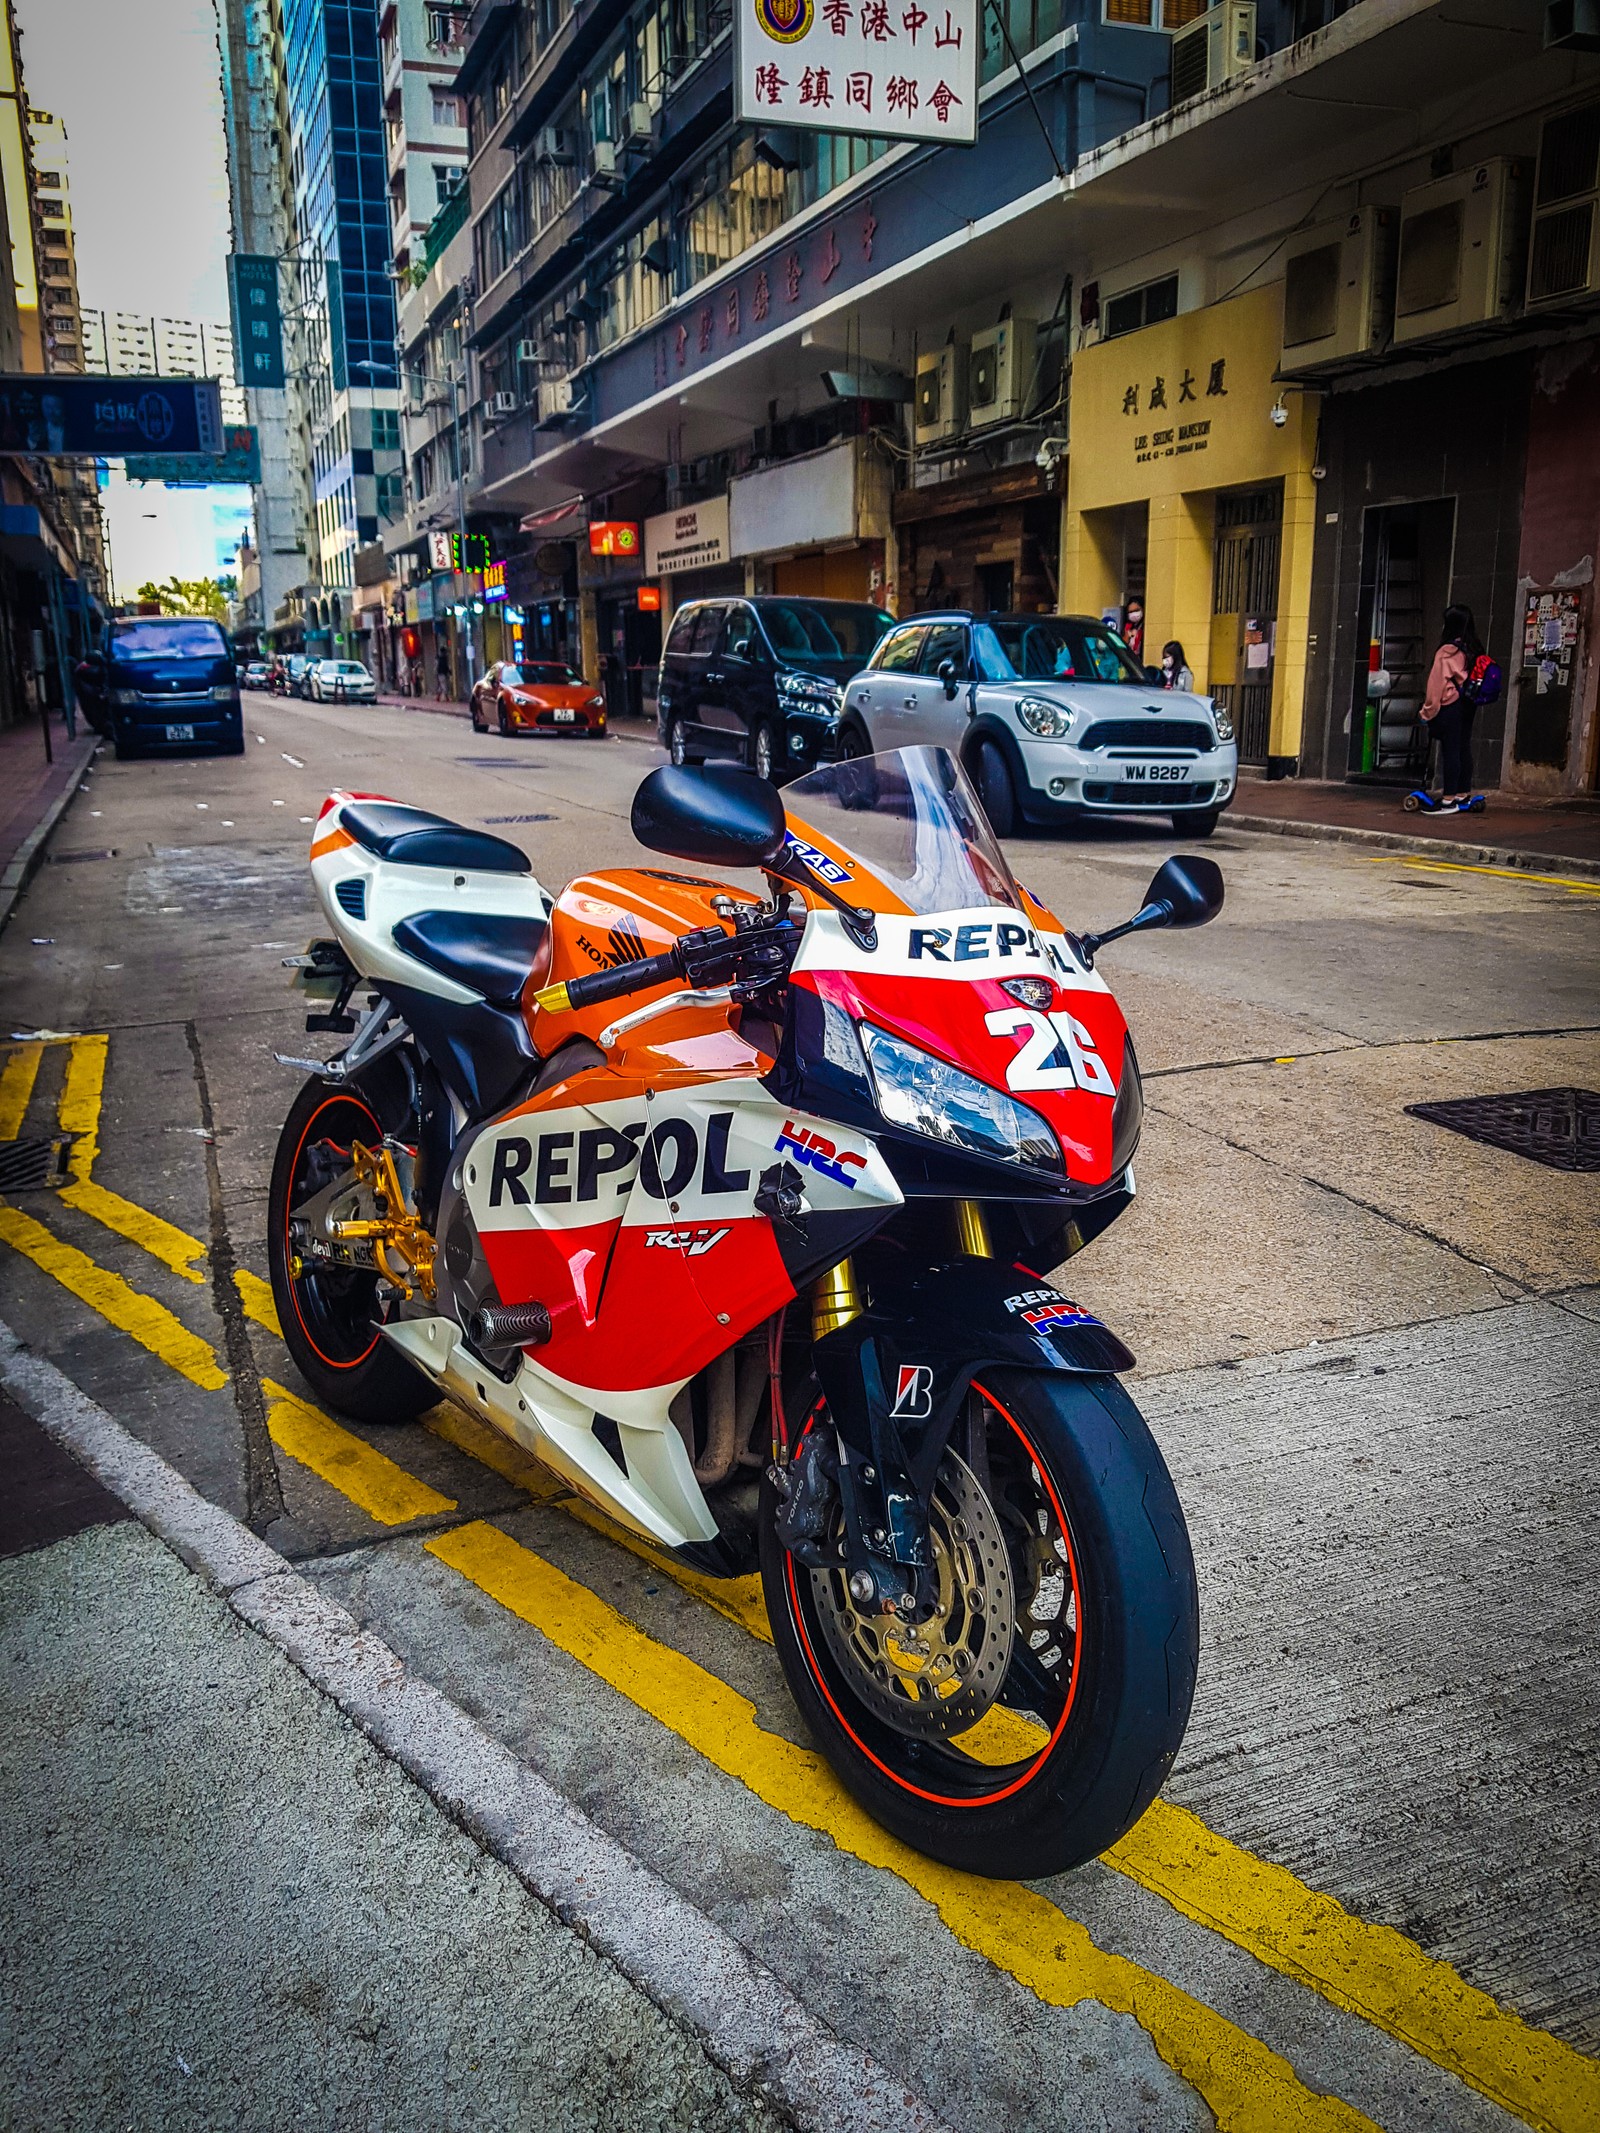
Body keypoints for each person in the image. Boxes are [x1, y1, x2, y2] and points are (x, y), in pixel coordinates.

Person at [1419, 604, 1482, 812]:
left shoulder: (1447, 651)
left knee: (1450, 750)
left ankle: (1448, 800)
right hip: (1468, 704)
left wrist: (1426, 712)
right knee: (1464, 747)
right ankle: (1463, 794)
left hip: (1450, 706)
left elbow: (1435, 686)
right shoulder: (1473, 648)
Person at [1122, 598, 1145, 663]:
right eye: (1131, 612)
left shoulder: (1144, 627)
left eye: (1136, 610)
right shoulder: (1127, 627)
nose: (1134, 614)